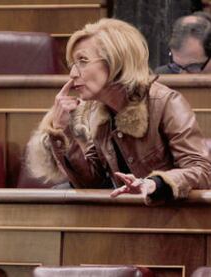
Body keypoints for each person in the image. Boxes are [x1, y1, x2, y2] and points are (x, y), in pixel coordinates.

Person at [26, 18, 211, 205]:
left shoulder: (165, 102)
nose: (73, 73)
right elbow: (91, 183)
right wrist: (63, 132)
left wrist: (155, 184)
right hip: (125, 216)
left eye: (82, 61)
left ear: (116, 62)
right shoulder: (95, 110)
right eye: (73, 63)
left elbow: (201, 170)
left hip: (167, 217)